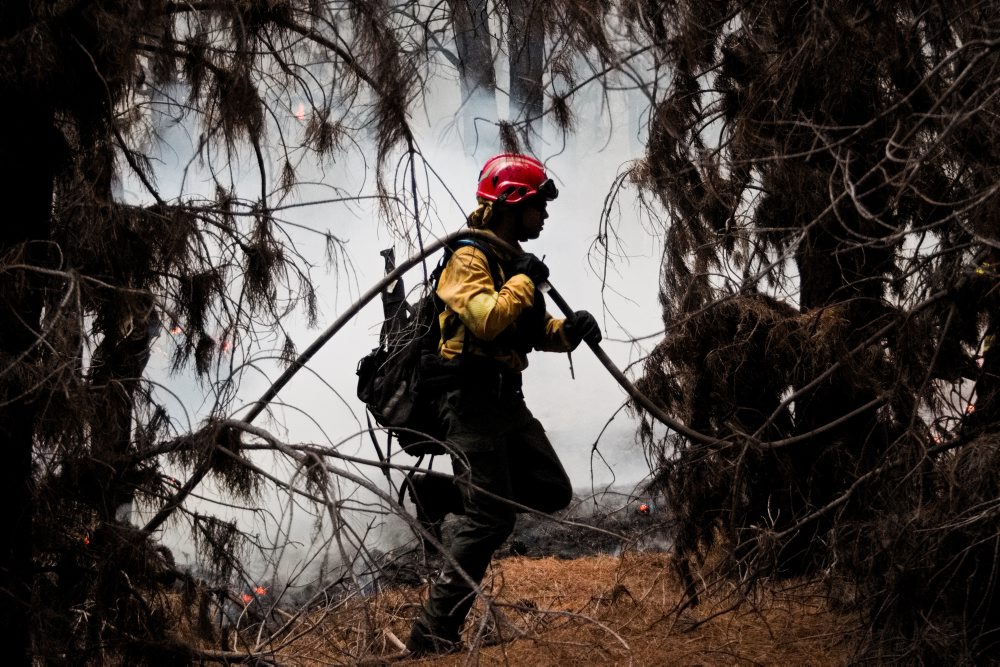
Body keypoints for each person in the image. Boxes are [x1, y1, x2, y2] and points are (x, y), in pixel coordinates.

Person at [406, 153, 602, 656]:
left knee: (552, 490)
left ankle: (443, 493)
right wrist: (523, 279)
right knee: (491, 521)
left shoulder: (510, 256)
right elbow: (487, 319)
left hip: (505, 401)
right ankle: (432, 634)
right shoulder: (468, 257)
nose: (545, 216)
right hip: (467, 403)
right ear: (513, 203)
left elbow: (531, 333)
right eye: (539, 205)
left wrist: (570, 331)